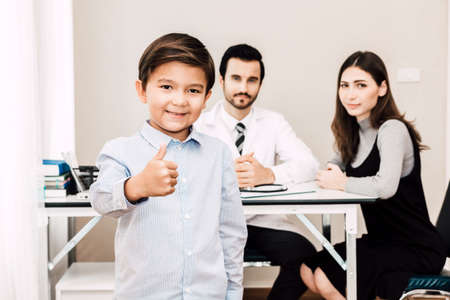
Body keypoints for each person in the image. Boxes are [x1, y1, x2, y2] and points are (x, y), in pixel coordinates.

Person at [89, 33, 247, 300]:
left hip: (208, 294)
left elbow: (230, 231)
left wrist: (233, 293)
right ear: (142, 90)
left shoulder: (219, 154)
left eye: (193, 90)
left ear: (207, 96)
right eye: (166, 87)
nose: (180, 100)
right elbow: (101, 199)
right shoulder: (119, 151)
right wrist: (137, 186)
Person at [300, 51, 446, 300]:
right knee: (307, 268)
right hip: (381, 241)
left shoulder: (392, 129)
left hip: (414, 246)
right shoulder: (352, 132)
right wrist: (333, 172)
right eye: (344, 86)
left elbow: (384, 187)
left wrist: (342, 182)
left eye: (361, 85)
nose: (350, 94)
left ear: (382, 88)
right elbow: (333, 167)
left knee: (325, 277)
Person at [195, 44, 319, 300]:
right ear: (221, 80)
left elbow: (309, 165)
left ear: (260, 84)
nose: (244, 88)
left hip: (262, 222)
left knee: (304, 255)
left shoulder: (273, 122)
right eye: (236, 78)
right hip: (214, 224)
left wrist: (268, 175)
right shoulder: (199, 124)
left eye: (252, 80)